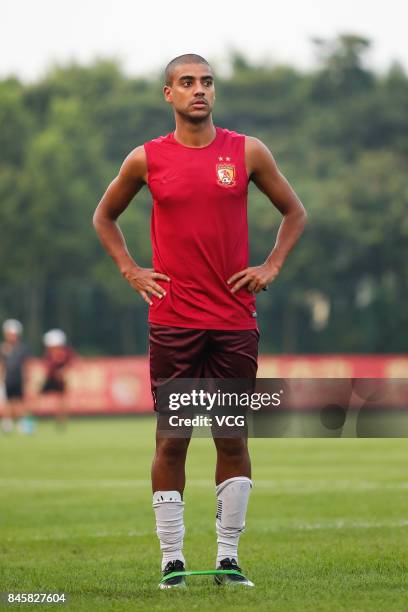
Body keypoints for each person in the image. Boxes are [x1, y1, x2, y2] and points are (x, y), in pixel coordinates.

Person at [93, 53, 307, 588]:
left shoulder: (246, 151)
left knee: (232, 438)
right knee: (172, 441)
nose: (199, 90)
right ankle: (172, 560)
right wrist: (130, 270)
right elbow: (105, 216)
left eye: (206, 82)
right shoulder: (146, 159)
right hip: (174, 322)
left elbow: (295, 212)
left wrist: (271, 265)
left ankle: (229, 558)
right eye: (186, 83)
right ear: (168, 93)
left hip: (235, 320)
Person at [41, 329, 75, 428]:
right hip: (50, 378)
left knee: (62, 400)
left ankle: (61, 421)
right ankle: (31, 417)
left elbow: (73, 363)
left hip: (61, 380)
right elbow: (47, 366)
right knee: (37, 397)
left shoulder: (66, 352)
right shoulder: (49, 353)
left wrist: (64, 372)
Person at [0, 319, 30, 433]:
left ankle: (23, 425)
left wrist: (27, 378)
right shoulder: (3, 348)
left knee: (19, 403)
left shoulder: (22, 348)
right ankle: (7, 424)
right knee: (7, 402)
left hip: (19, 379)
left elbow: (25, 365)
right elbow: (1, 364)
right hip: (7, 379)